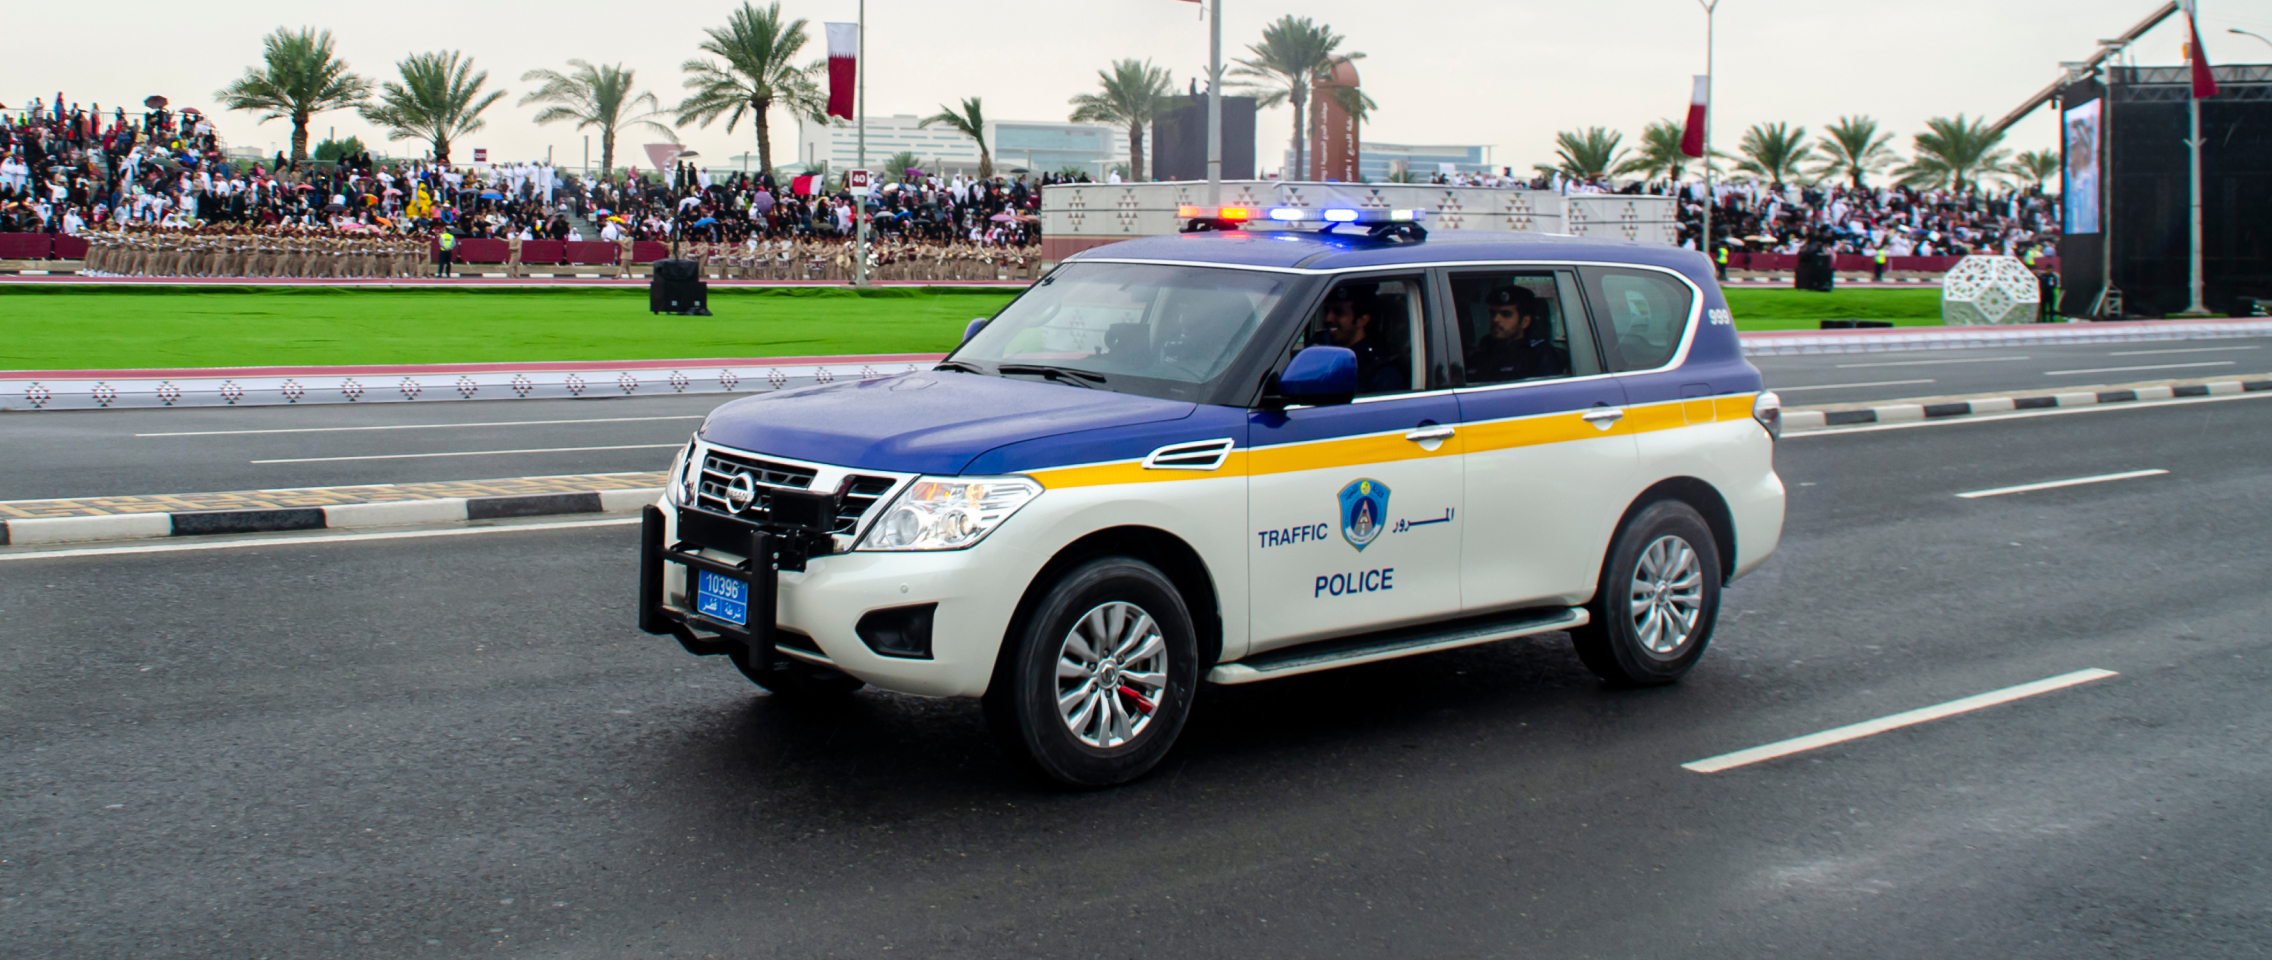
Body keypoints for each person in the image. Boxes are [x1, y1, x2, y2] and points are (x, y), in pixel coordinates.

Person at [1465, 286, 1567, 383]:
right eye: (1493, 313)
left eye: (1506, 314)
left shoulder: (1539, 355)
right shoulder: (1481, 352)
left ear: (1525, 322)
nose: (1496, 319)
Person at [1316, 286, 1404, 393]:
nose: (1328, 319)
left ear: (1362, 320)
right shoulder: (1319, 349)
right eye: (1326, 311)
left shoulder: (1380, 372)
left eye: (1338, 312)